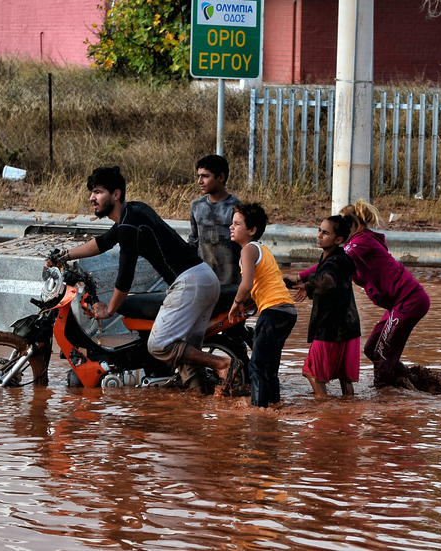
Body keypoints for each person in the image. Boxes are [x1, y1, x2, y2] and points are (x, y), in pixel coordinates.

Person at [51, 166, 234, 393]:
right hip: (204, 277)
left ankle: (221, 363)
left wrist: (108, 311)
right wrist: (65, 256)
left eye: (97, 192)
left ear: (115, 194)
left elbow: (124, 277)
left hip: (189, 283)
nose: (92, 198)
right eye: (92, 192)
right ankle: (199, 405)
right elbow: (102, 243)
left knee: (159, 345)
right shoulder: (134, 211)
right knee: (186, 353)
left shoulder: (128, 225)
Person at [339, 199, 430, 388]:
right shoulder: (356, 243)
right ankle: (413, 382)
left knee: (382, 354)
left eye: (341, 225)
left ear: (353, 225)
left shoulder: (360, 242)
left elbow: (334, 264)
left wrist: (301, 278)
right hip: (397, 305)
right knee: (372, 349)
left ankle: (383, 399)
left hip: (408, 301)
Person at [227, 203, 298, 408]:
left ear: (251, 230)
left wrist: (236, 303)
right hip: (286, 311)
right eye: (232, 223)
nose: (231, 227)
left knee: (257, 366)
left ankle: (258, 411)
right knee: (269, 365)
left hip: (273, 311)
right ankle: (273, 405)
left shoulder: (248, 250)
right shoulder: (261, 249)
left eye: (237, 224)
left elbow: (246, 285)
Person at [288, 215, 361, 397]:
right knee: (345, 379)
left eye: (325, 233)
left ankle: (325, 414)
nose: (319, 235)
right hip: (350, 328)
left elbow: (327, 281)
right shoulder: (341, 258)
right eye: (319, 230)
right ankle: (347, 417)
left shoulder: (332, 263)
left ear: (339, 240)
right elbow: (326, 277)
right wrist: (305, 281)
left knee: (312, 373)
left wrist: (308, 286)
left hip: (329, 329)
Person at [189, 154, 242, 288]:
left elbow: (245, 247)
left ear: (221, 177)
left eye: (205, 176)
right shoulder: (196, 206)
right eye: (198, 176)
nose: (199, 181)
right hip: (203, 282)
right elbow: (193, 242)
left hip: (231, 283)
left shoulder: (236, 208)